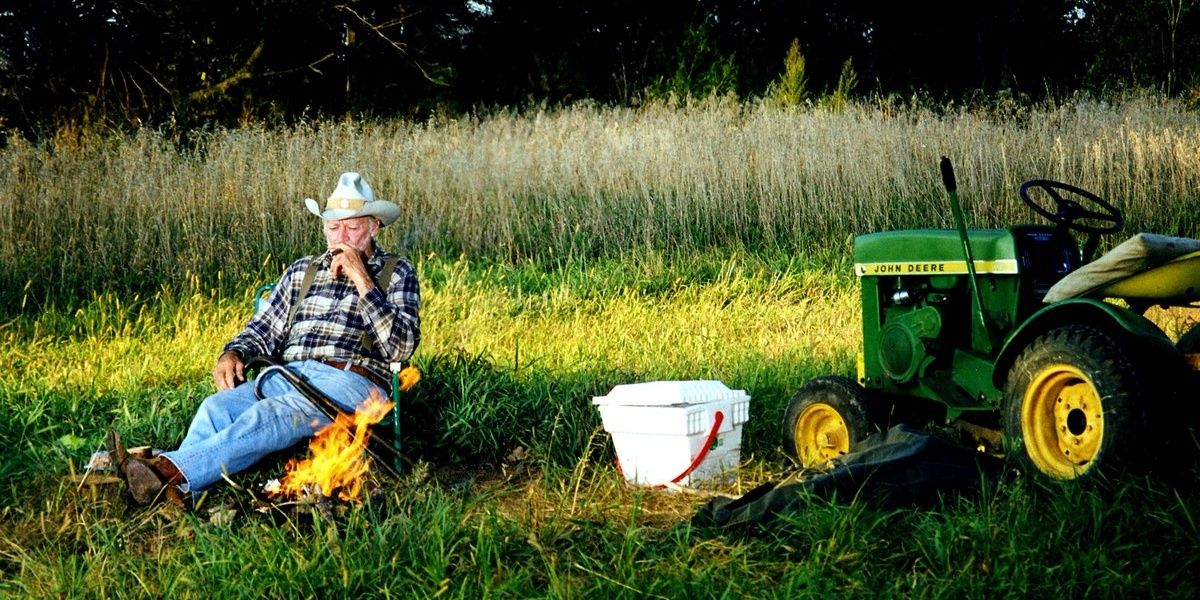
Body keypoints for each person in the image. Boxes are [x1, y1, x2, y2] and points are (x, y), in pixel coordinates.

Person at [108, 172, 421, 505]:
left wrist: (363, 279)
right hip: (290, 375)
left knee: (270, 415)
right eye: (333, 228)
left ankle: (166, 470)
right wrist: (233, 352)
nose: (340, 237)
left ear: (374, 226)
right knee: (216, 407)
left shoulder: (396, 271)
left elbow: (400, 347)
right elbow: (263, 327)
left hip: (351, 380)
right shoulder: (303, 270)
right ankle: (182, 494)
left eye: (352, 227)